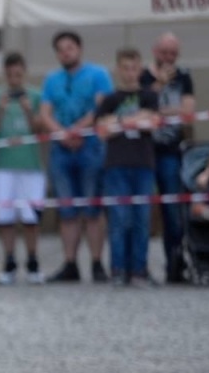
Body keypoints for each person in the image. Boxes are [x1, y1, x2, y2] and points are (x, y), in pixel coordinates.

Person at [38, 31, 113, 282]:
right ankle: (70, 263)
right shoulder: (51, 79)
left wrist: (78, 129)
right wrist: (62, 133)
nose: (65, 52)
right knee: (67, 209)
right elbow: (45, 113)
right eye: (60, 49)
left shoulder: (98, 74)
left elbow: (102, 107)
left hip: (91, 147)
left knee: (93, 208)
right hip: (61, 150)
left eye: (69, 47)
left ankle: (96, 263)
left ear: (79, 49)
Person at [97, 48, 161, 287]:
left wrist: (119, 121)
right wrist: (135, 119)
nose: (129, 72)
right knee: (119, 219)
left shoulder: (149, 96)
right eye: (125, 67)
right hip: (116, 165)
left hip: (143, 163)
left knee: (141, 219)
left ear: (140, 69)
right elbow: (103, 131)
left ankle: (139, 271)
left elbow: (153, 123)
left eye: (134, 68)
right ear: (118, 69)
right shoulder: (110, 99)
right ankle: (118, 270)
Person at [0, 52, 46, 284]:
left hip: (31, 165)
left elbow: (41, 129)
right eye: (10, 74)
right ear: (5, 74)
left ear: (24, 72)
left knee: (31, 217)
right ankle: (9, 261)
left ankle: (33, 261)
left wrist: (29, 109)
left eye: (18, 74)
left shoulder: (36, 95)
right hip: (3, 165)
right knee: (5, 217)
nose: (14, 78)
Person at [141, 32, 196, 282]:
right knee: (139, 207)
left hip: (171, 150)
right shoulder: (142, 75)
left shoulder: (184, 75)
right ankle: (137, 268)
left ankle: (174, 263)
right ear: (155, 51)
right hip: (142, 150)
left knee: (173, 209)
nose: (169, 58)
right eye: (164, 53)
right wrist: (159, 86)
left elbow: (188, 111)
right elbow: (139, 107)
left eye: (173, 54)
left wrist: (160, 111)